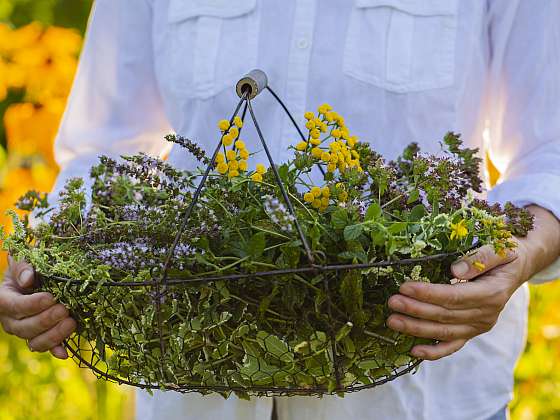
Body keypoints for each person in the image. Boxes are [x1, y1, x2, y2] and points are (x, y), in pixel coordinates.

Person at [2, 1, 560, 419]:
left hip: (421, 395)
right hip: (194, 390)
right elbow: (107, 152)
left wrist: (518, 254)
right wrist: (43, 265)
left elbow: (550, 152)